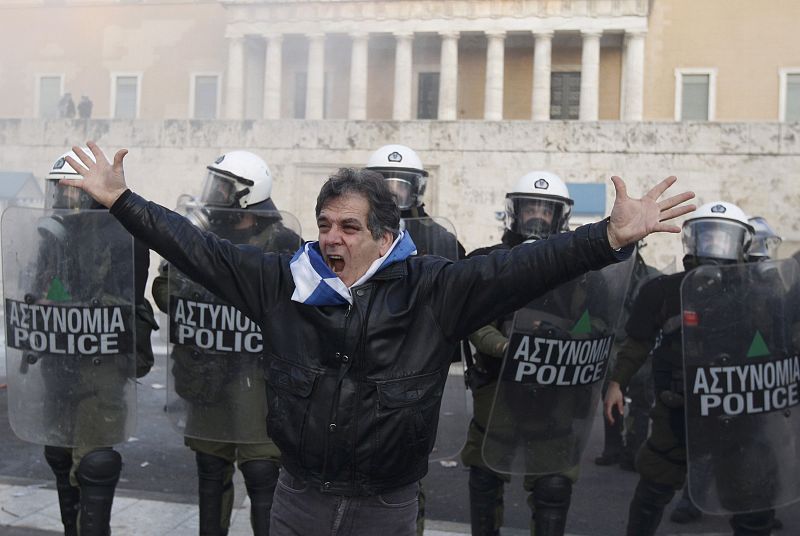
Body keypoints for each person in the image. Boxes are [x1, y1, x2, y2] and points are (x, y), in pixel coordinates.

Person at [63, 140, 693, 536]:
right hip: (298, 499)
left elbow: (526, 266)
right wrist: (121, 200)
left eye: (350, 227)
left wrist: (610, 237)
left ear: (387, 237)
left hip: (386, 507)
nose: (332, 239)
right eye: (324, 225)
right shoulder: (281, 281)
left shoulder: (436, 289)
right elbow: (197, 249)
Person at [460, 171, 631, 536]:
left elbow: (600, 325)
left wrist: (564, 339)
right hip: (498, 387)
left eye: (545, 209)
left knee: (554, 486)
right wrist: (508, 347)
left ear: (560, 216)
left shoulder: (584, 273)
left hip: (556, 390)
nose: (537, 215)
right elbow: (473, 321)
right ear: (514, 211)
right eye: (530, 207)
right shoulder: (490, 261)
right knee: (485, 479)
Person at [604, 201, 779, 536]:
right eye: (707, 236)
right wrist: (617, 383)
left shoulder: (760, 295)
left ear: (742, 243)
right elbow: (636, 343)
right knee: (653, 486)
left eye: (723, 238)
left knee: (752, 502)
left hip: (739, 412)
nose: (715, 246)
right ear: (691, 240)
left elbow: (782, 349)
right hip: (678, 409)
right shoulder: (664, 291)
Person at [151, 151, 301, 536]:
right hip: (207, 374)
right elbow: (166, 291)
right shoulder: (200, 237)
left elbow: (297, 310)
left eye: (222, 187)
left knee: (262, 470)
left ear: (246, 196)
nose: (213, 194)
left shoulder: (283, 242)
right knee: (210, 467)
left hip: (259, 378)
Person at [36, 148, 157, 536]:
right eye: (58, 191)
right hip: (59, 358)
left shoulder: (121, 233)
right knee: (58, 453)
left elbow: (125, 296)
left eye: (69, 191)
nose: (60, 200)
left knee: (94, 462)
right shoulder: (54, 235)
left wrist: (69, 302)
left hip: (102, 361)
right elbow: (41, 285)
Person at [366, 143, 466, 535]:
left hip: (415, 368)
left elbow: (463, 297)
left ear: (417, 189)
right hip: (362, 361)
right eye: (382, 185)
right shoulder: (350, 231)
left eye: (400, 186)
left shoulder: (440, 239)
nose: (392, 195)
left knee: (406, 471)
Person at [595, 246, 659, 471]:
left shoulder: (651, 277)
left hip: (640, 346)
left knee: (641, 400)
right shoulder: (604, 276)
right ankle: (613, 448)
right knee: (610, 397)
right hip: (612, 344)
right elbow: (595, 311)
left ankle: (634, 450)